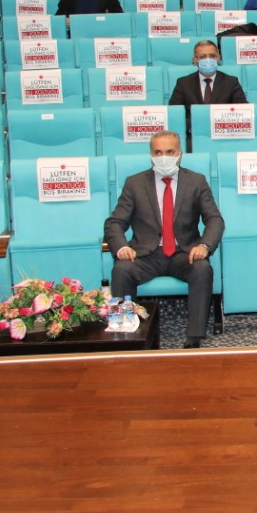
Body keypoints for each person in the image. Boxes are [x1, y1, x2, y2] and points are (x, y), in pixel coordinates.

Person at [105, 131, 224, 349]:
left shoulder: (196, 181)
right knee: (121, 270)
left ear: (180, 154)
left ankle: (194, 337)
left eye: (169, 152)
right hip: (145, 255)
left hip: (184, 253)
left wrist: (204, 246)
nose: (164, 157)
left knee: (202, 269)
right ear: (151, 155)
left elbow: (215, 219)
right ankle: (123, 332)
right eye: (158, 152)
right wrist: (121, 246)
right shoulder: (134, 183)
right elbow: (114, 222)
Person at [168, 40, 247, 106]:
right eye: (202, 56)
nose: (208, 60)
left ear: (218, 58)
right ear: (195, 61)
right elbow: (174, 113)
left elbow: (243, 110)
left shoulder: (231, 82)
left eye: (212, 56)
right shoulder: (183, 84)